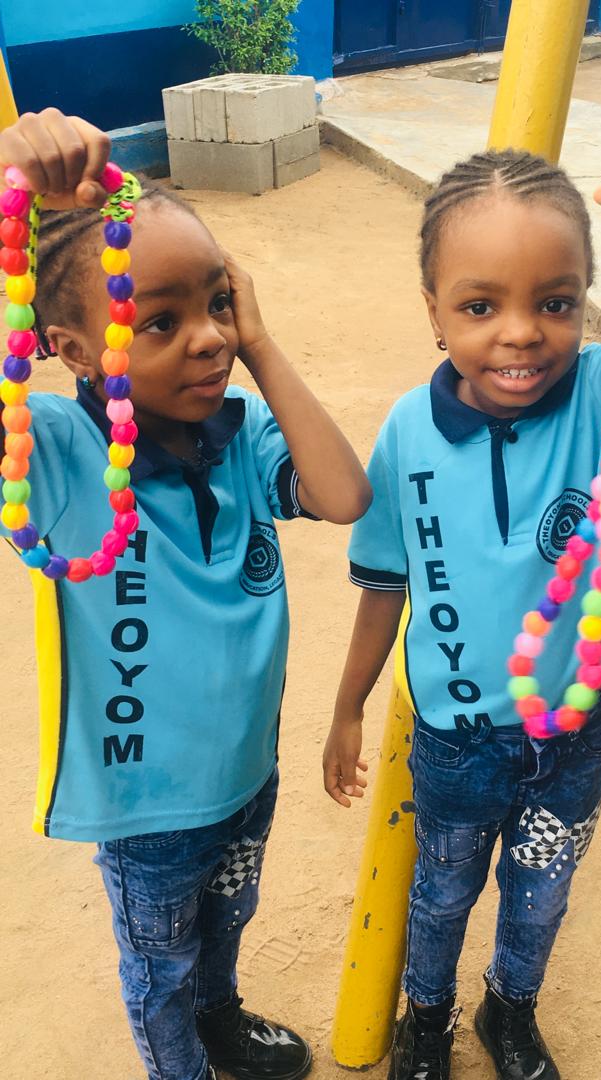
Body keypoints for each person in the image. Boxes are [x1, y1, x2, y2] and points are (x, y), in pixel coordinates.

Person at [323, 128, 601, 1080]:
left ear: (588, 303)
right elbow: (387, 579)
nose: (520, 332)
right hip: (456, 740)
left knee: (540, 894)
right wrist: (346, 704)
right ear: (434, 312)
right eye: (480, 305)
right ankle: (426, 1021)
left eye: (554, 303)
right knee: (440, 892)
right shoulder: (404, 431)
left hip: (574, 732)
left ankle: (510, 1012)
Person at [0, 108, 371, 1080]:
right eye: (161, 321)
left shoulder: (243, 437)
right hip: (147, 813)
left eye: (216, 303)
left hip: (246, 776)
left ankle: (222, 1015)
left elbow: (344, 495)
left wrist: (263, 344)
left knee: (224, 925)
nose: (208, 339)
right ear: (75, 351)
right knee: (157, 968)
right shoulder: (60, 455)